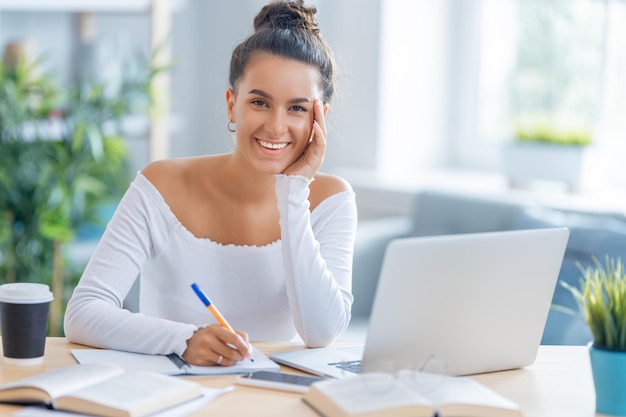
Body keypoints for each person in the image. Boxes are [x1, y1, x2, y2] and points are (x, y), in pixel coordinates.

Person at [64, 0, 357, 367]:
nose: (277, 127)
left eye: (297, 108)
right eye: (260, 102)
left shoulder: (332, 199)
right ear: (232, 104)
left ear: (320, 118)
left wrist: (294, 192)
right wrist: (182, 339)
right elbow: (83, 313)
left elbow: (321, 332)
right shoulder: (162, 185)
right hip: (169, 399)